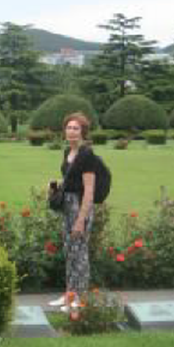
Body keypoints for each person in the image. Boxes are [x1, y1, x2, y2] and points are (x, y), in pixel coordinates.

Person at [49, 112, 98, 312]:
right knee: (69, 251)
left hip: (80, 207)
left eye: (76, 128)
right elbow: (71, 180)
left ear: (83, 132)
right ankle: (69, 293)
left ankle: (80, 298)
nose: (71, 131)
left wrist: (81, 219)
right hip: (68, 206)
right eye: (69, 127)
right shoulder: (67, 152)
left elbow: (89, 190)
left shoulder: (87, 155)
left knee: (80, 253)